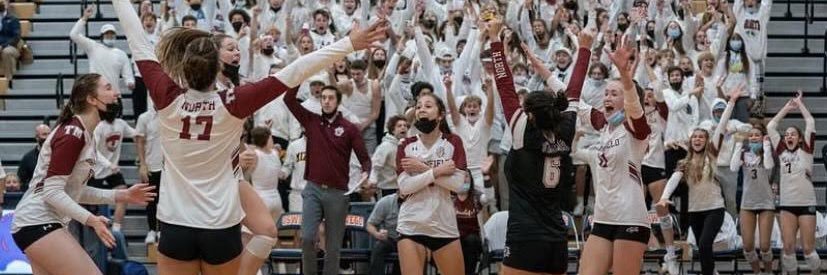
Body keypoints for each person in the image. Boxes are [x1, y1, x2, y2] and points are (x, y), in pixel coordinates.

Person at [113, 0, 388, 273]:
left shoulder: (166, 96)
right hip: (219, 226)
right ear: (216, 69)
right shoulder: (234, 102)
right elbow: (295, 70)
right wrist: (350, 43)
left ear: (184, 69)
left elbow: (137, 38)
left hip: (175, 225)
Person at [10, 74, 156, 275]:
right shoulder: (73, 133)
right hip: (38, 221)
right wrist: (91, 219)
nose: (116, 93)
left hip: (35, 223)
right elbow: (51, 193)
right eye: (108, 88)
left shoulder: (85, 133)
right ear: (91, 99)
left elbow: (72, 191)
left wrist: (121, 195)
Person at [492, 18, 592, 275]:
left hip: (525, 236)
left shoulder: (521, 131)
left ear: (530, 115)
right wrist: (584, 49)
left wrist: (495, 43)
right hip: (557, 239)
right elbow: (575, 89)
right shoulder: (566, 130)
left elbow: (504, 85)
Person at [572, 35, 652, 275]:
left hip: (630, 218)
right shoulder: (604, 129)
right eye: (605, 93)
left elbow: (635, 107)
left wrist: (625, 75)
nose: (607, 97)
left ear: (626, 101)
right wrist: (543, 70)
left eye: (613, 94)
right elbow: (573, 99)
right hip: (603, 218)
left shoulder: (636, 131)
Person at [284, 83, 372, 275]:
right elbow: (288, 100)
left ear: (338, 102)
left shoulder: (349, 128)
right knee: (307, 238)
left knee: (333, 247)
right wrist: (299, 77)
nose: (326, 101)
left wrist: (366, 173)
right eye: (323, 97)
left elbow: (365, 159)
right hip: (312, 189)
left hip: (338, 192)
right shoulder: (311, 121)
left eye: (331, 97)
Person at [657, 86, 743, 275]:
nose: (697, 140)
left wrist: (731, 102)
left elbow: (721, 127)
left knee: (704, 245)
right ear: (690, 141)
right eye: (694, 137)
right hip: (695, 211)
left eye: (700, 137)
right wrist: (664, 197)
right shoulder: (685, 161)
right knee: (701, 250)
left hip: (714, 209)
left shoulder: (712, 154)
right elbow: (674, 178)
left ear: (706, 140)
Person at [395, 91, 467, 275]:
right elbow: (404, 187)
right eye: (418, 107)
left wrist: (421, 168)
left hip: (444, 226)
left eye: (428, 106)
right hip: (412, 224)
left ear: (441, 114)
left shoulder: (453, 142)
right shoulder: (406, 145)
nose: (421, 110)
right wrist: (437, 172)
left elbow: (458, 185)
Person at [768, 92, 821, 274]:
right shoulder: (782, 152)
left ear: (799, 139)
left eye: (793, 134)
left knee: (808, 249)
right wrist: (786, 108)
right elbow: (771, 126)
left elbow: (811, 123)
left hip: (806, 203)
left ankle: (816, 272)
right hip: (787, 204)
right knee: (788, 248)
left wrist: (800, 104)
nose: (789, 136)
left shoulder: (806, 151)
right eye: (787, 134)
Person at [730, 123, 775, 274]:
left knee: (764, 246)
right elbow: (733, 168)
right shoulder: (744, 153)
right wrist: (738, 145)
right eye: (751, 136)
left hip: (766, 202)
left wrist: (767, 146)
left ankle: (768, 271)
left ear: (762, 137)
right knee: (748, 246)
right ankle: (757, 272)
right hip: (747, 202)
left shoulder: (767, 152)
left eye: (757, 135)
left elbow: (769, 167)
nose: (754, 137)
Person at [71, 7, 135, 95]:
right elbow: (74, 35)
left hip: (114, 96)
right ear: (102, 36)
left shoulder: (121, 54)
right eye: (107, 34)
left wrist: (130, 83)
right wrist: (84, 17)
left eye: (112, 34)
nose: (110, 36)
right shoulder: (93, 47)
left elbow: (128, 75)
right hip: (96, 96)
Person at [135, 106, 163, 244]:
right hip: (151, 164)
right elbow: (139, 142)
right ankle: (152, 230)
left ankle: (162, 230)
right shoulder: (144, 118)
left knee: (166, 200)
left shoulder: (170, 114)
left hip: (168, 167)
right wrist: (142, 164)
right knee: (151, 200)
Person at [248, 127, 284, 222]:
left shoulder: (254, 154)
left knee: (255, 232)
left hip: (261, 197)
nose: (272, 139)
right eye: (270, 137)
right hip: (276, 198)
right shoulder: (275, 153)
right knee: (273, 232)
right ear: (266, 139)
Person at [369, 115, 409, 197]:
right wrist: (373, 181)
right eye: (399, 126)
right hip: (386, 188)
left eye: (405, 126)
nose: (403, 128)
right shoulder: (385, 146)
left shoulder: (407, 145)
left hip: (402, 187)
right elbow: (376, 165)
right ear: (393, 130)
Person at [453, 171, 483, 275]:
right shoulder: (448, 198)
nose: (464, 179)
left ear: (471, 179)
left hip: (473, 240)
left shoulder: (476, 197)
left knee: (471, 240)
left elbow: (489, 198)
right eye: (461, 177)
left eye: (466, 176)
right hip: (454, 238)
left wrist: (487, 178)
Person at [367, 192, 401, 275]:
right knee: (379, 247)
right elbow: (370, 224)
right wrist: (377, 234)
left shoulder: (419, 203)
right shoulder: (385, 202)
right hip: (391, 238)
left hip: (412, 238)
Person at [18, 124, 51, 191]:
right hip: (34, 195)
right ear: (37, 137)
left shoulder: (58, 154)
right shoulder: (27, 158)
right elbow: (22, 181)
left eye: (49, 134)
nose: (48, 137)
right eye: (44, 134)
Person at [281, 134, 307, 213]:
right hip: (298, 194)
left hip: (319, 194)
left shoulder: (324, 143)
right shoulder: (294, 145)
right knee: (297, 224)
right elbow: (287, 167)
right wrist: (282, 173)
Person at [0, 0, 19, 85]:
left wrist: (3, 46)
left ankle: (8, 81)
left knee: (6, 52)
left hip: (10, 46)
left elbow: (16, 37)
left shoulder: (13, 19)